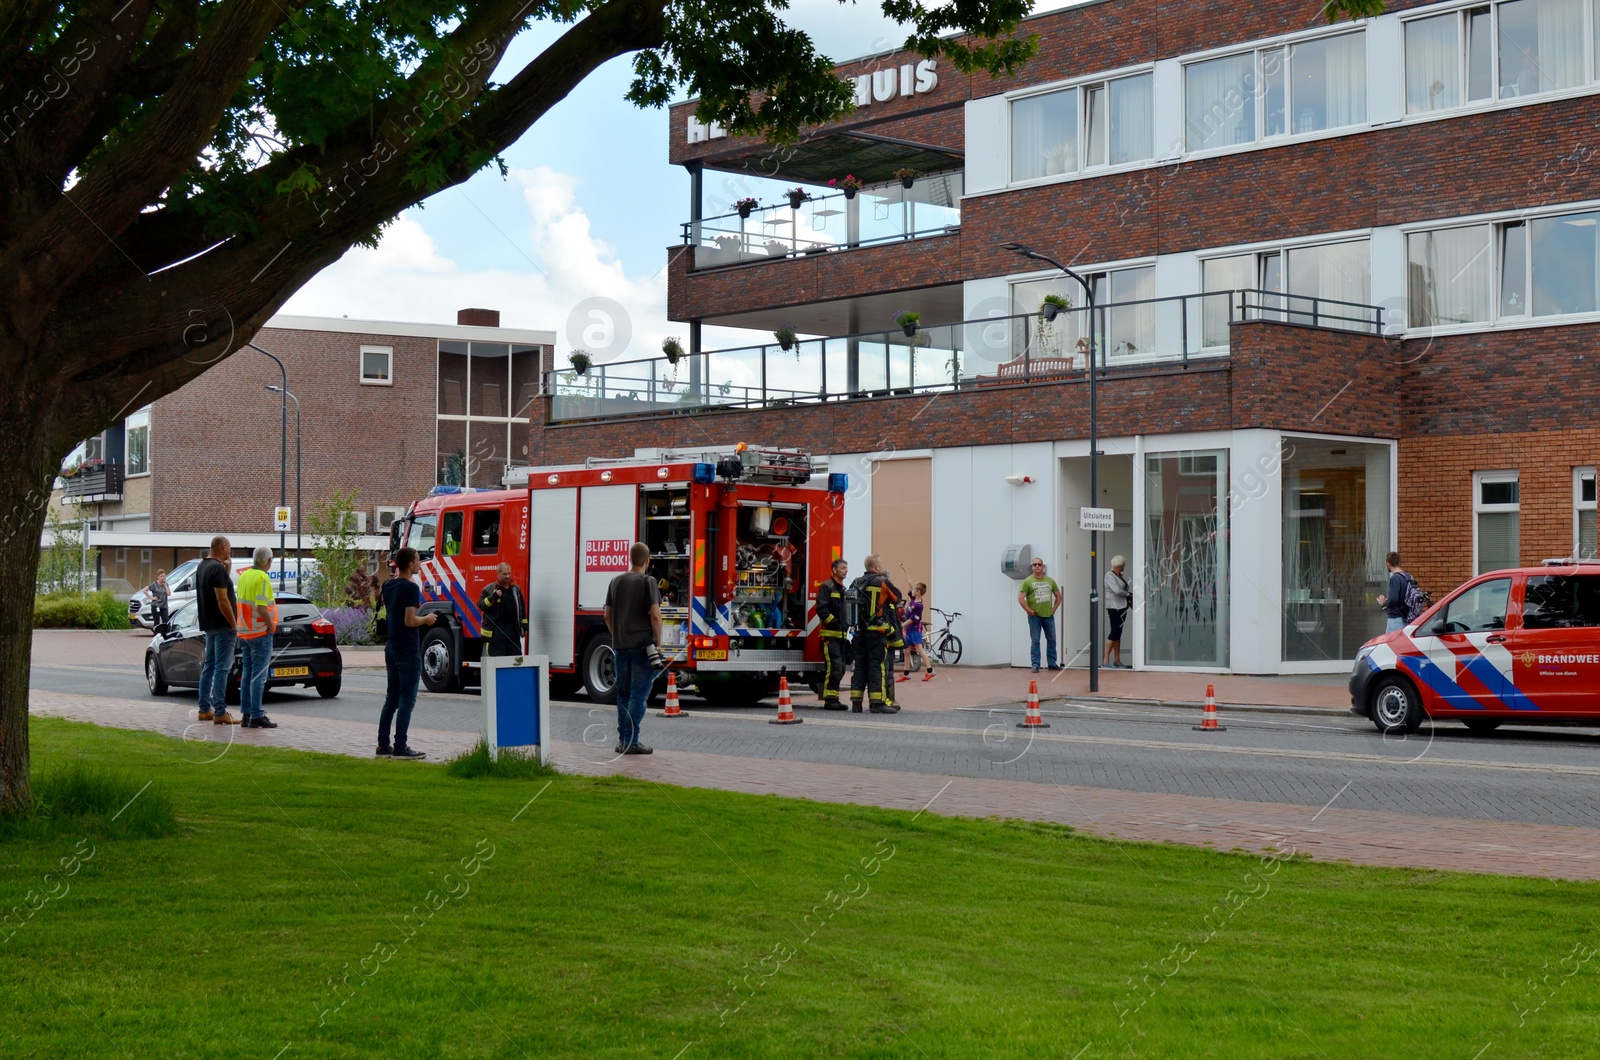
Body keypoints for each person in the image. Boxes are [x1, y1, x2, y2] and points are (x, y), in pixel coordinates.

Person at [378, 547, 437, 759]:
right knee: (407, 700)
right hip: (407, 648)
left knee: (391, 698)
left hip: (391, 646)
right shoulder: (410, 588)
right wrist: (427, 619)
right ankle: (401, 746)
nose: (420, 563)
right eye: (418, 559)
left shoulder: (388, 585)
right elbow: (410, 621)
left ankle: (383, 745)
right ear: (410, 564)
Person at [605, 542, 663, 754]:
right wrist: (659, 643)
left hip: (620, 647)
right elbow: (656, 616)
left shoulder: (615, 581)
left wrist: (617, 634)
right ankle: (632, 741)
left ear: (630, 559)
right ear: (647, 561)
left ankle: (623, 741)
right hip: (642, 648)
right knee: (638, 696)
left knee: (623, 695)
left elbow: (607, 615)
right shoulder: (649, 581)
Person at [195, 536, 240, 725]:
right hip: (222, 626)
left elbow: (218, 590)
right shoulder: (217, 568)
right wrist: (233, 624)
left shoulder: (202, 567)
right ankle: (220, 711)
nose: (230, 550)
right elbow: (223, 600)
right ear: (223, 546)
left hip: (209, 625)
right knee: (222, 668)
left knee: (209, 667)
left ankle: (204, 709)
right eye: (229, 547)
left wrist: (227, 570)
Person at [235, 547, 280, 729]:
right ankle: (256, 715)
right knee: (259, 676)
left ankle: (246, 714)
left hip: (244, 631)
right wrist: (271, 626)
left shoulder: (244, 575)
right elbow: (262, 607)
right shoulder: (262, 578)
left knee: (247, 673)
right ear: (268, 561)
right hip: (259, 631)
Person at [852, 555, 901, 714]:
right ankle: (877, 702)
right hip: (876, 633)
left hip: (859, 632)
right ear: (877, 567)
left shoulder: (856, 582)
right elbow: (897, 598)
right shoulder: (881, 582)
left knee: (860, 666)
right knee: (877, 666)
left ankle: (856, 703)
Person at [813, 558, 851, 710]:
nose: (846, 570)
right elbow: (821, 609)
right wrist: (834, 621)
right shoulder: (826, 587)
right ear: (834, 570)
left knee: (841, 668)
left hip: (841, 636)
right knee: (834, 666)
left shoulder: (843, 589)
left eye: (847, 568)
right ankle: (829, 700)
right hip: (829, 636)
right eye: (843, 568)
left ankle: (834, 697)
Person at [1019, 557, 1062, 673]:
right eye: (1034, 565)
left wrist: (1054, 609)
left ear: (1043, 566)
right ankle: (1035, 664)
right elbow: (1021, 599)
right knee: (1035, 641)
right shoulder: (1027, 581)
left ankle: (1052, 663)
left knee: (1052, 640)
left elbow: (1058, 596)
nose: (1037, 566)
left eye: (1039, 564)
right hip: (1035, 617)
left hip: (1048, 616)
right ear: (1032, 567)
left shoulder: (1050, 581)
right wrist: (1029, 611)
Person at [479, 562, 528, 657]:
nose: (507, 576)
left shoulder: (515, 590)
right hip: (496, 636)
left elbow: (521, 609)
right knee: (498, 663)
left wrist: (525, 626)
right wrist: (493, 597)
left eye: (509, 573)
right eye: (505, 574)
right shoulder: (489, 589)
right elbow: (481, 606)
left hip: (513, 635)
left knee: (515, 662)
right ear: (498, 574)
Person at [898, 582, 936, 683]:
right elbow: (910, 584)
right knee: (906, 651)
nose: (912, 591)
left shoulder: (919, 605)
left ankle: (930, 671)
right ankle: (906, 674)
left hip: (915, 630)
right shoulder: (914, 599)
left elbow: (912, 619)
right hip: (909, 630)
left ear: (918, 592)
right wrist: (905, 570)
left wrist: (901, 626)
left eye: (914, 590)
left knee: (919, 650)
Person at [1103, 556, 1131, 670]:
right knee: (1114, 631)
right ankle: (1105, 660)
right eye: (1123, 564)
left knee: (1118, 632)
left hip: (1122, 606)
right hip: (1114, 607)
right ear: (1120, 565)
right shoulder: (1109, 575)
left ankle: (1117, 660)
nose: (1124, 566)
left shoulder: (1120, 576)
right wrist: (1129, 594)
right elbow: (1117, 590)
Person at [1376, 551, 1412, 634]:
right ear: (1399, 563)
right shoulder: (1407, 577)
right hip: (1406, 618)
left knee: (1390, 645)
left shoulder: (1395, 578)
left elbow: (1394, 599)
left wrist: (1383, 602)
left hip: (1396, 619)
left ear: (1388, 564)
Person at [145, 569, 169, 633]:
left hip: (164, 605)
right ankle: (156, 635)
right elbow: (145, 590)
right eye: (161, 576)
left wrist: (165, 585)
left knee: (166, 621)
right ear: (158, 576)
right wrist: (151, 598)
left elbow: (169, 594)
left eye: (164, 576)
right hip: (156, 605)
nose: (162, 578)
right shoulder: (154, 584)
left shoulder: (166, 584)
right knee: (156, 622)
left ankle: (165, 635)